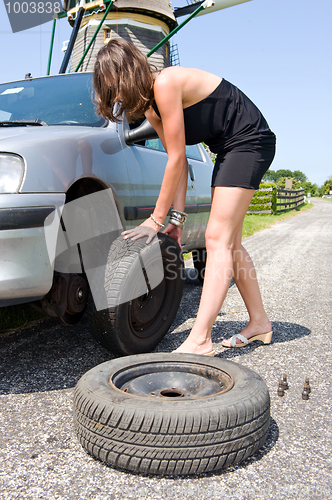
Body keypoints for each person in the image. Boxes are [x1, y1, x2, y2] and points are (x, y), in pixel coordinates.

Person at [93, 38, 276, 355]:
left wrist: (156, 219)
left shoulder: (166, 82)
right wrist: (176, 221)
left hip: (249, 140)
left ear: (129, 71)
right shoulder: (151, 108)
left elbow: (179, 158)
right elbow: (173, 162)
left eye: (117, 88)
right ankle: (259, 323)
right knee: (229, 241)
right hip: (229, 148)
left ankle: (200, 339)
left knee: (216, 238)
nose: (119, 98)